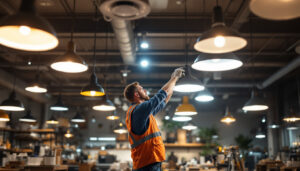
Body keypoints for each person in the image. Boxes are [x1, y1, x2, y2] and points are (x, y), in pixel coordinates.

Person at [123, 67, 185, 171]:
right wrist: (174, 78)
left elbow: (165, 98)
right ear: (136, 94)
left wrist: (174, 80)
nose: (145, 90)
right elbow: (161, 94)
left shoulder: (144, 113)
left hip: (148, 163)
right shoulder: (139, 109)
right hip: (147, 164)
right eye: (142, 89)